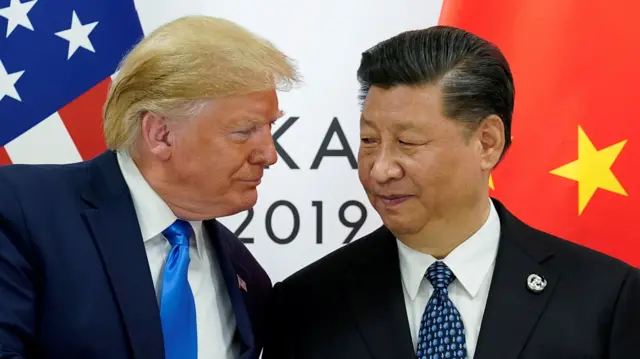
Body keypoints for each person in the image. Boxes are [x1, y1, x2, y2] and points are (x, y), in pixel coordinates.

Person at [262, 26, 640, 359]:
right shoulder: (306, 304)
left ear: (487, 142)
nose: (380, 169)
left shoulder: (606, 298)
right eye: (369, 140)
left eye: (407, 142)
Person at [0, 16, 299, 359]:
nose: (270, 155)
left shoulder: (248, 277)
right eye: (244, 131)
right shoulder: (19, 214)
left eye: (269, 128)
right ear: (161, 134)